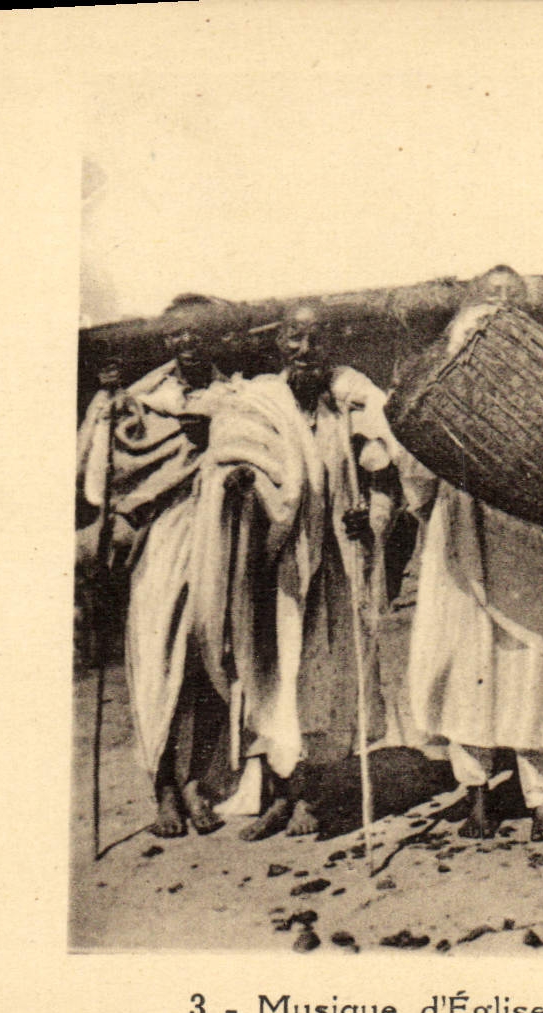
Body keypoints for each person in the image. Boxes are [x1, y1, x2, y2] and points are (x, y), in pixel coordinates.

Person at [186, 304, 405, 839]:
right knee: (272, 677)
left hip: (333, 566)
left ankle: (311, 797)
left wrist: (371, 516)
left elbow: (384, 472)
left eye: (314, 339)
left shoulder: (348, 403)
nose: (304, 350)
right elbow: (231, 454)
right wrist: (241, 486)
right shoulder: (259, 403)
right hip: (274, 567)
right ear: (279, 343)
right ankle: (281, 796)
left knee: (322, 680)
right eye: (293, 338)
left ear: (330, 344)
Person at [399, 265, 543, 842]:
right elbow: (416, 468)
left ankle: (541, 797)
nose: (499, 310)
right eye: (490, 299)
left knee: (528, 657)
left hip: (522, 536)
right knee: (468, 661)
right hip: (460, 536)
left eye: (511, 301)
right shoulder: (445, 377)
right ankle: (476, 795)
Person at [77, 333, 229, 836]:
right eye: (179, 336)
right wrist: (106, 407)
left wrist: (218, 438)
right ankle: (162, 788)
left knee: (211, 659)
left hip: (219, 535)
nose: (190, 344)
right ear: (169, 341)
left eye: (199, 333)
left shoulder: (234, 395)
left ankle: (196, 783)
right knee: (159, 660)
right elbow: (105, 477)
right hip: (161, 541)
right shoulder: (143, 402)